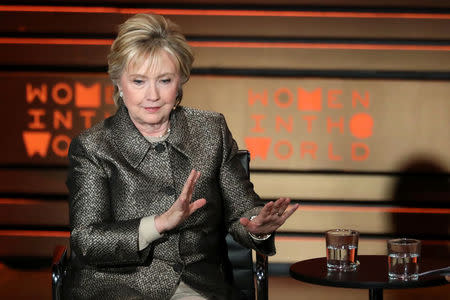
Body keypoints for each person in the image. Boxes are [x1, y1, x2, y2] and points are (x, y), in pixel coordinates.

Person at [64, 13, 299, 300]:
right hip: (117, 287)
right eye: (138, 81)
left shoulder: (211, 130)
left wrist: (257, 227)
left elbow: (242, 210)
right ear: (119, 85)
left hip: (199, 284)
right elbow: (87, 241)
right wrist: (158, 224)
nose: (152, 95)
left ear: (180, 83)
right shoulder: (93, 146)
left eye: (164, 80)